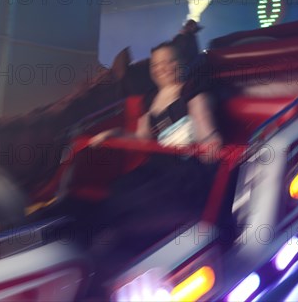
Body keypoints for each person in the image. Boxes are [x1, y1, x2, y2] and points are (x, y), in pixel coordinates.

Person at [86, 41, 223, 268]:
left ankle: (147, 255)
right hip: (157, 167)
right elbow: (142, 138)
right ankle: (113, 245)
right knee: (121, 188)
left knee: (149, 198)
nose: (163, 68)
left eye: (170, 61)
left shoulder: (193, 92)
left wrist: (211, 142)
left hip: (185, 172)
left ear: (182, 63)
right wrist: (114, 133)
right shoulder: (150, 98)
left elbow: (205, 127)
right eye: (157, 64)